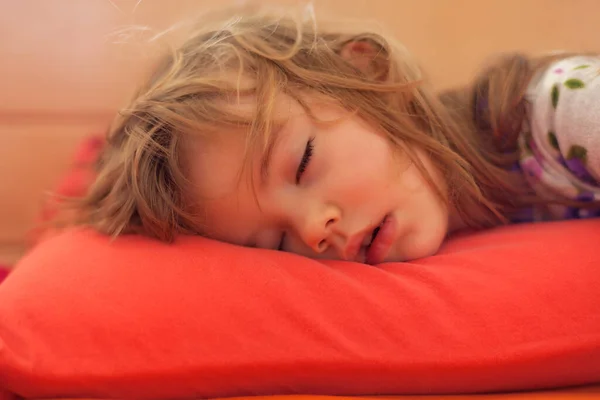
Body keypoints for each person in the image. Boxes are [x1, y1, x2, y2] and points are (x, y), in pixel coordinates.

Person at [70, 6, 600, 264]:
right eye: (276, 243)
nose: (314, 228)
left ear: (369, 78)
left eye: (302, 164)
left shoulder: (561, 111)